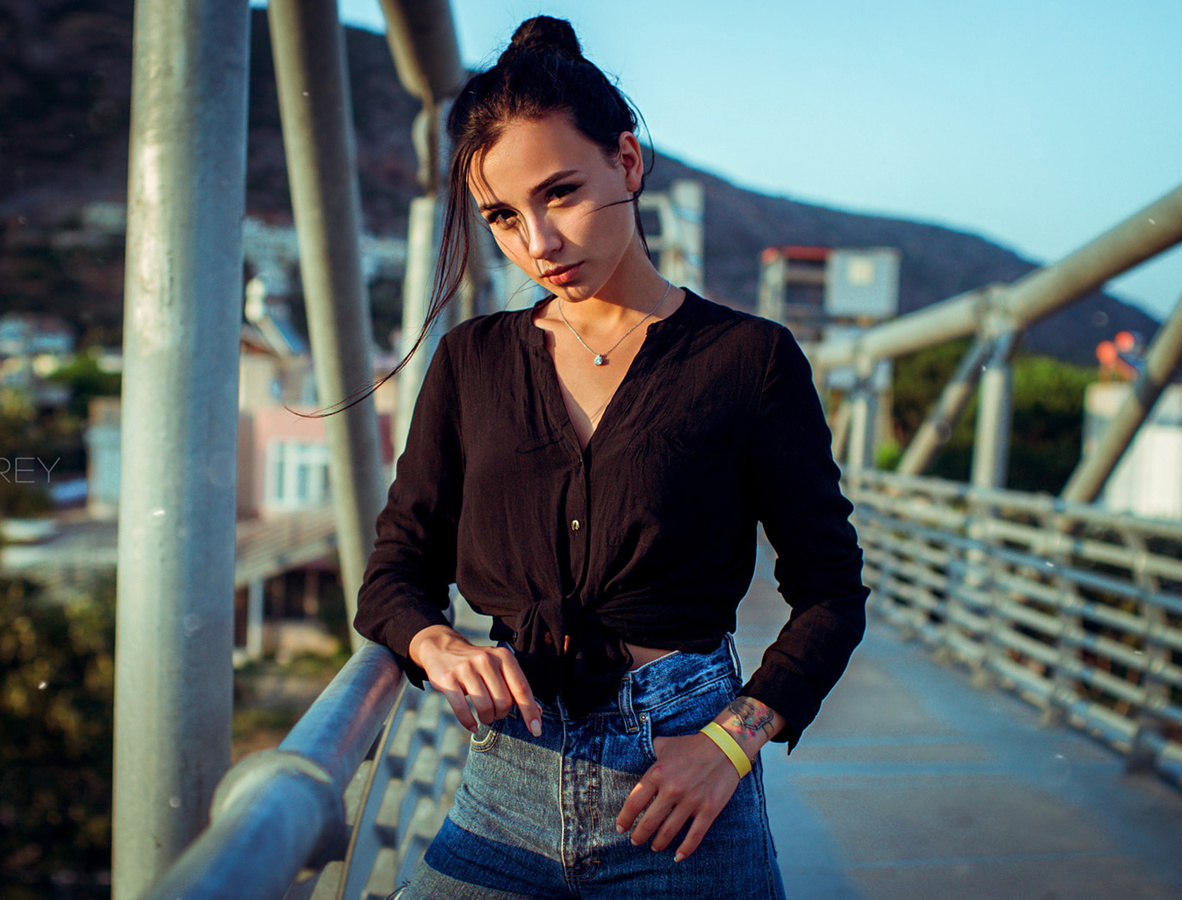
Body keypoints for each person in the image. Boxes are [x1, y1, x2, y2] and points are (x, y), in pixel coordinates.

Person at [354, 15, 867, 900]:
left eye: (561, 193)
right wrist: (433, 640)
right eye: (503, 217)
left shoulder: (748, 359)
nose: (537, 245)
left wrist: (732, 743)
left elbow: (831, 592)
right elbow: (396, 569)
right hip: (501, 786)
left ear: (627, 164)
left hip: (683, 794)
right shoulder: (472, 360)